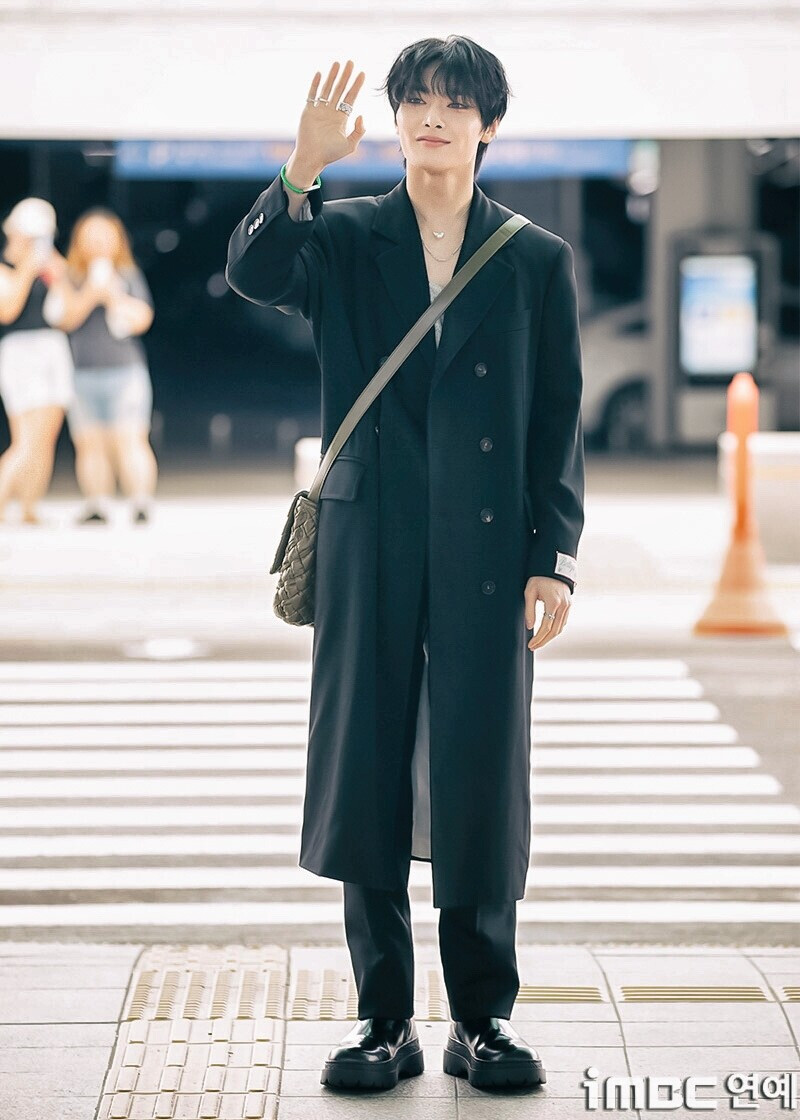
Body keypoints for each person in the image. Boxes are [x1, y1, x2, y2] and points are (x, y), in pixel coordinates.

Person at [226, 37, 585, 1094]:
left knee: (478, 771)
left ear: (486, 123)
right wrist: (299, 168)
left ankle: (484, 1018)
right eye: (414, 100)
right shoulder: (341, 237)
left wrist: (550, 555)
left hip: (484, 550)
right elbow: (250, 274)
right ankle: (384, 1016)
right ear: (393, 121)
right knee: (368, 770)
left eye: (452, 101)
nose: (431, 116)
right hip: (369, 534)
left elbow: (555, 424)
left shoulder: (532, 259)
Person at [48, 207, 157, 524]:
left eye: (104, 236)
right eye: (90, 236)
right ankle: (97, 504)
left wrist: (111, 296)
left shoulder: (128, 275)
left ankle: (140, 502)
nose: (96, 242)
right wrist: (88, 295)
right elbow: (64, 320)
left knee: (131, 437)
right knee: (89, 442)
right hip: (81, 372)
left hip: (126, 372)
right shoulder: (69, 278)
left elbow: (142, 319)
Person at [0, 197, 74, 524]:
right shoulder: (5, 269)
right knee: (26, 439)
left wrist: (57, 273)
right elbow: (8, 310)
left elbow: (68, 314)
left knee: (45, 437)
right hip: (20, 351)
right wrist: (28, 268)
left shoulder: (50, 267)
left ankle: (30, 507)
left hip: (52, 348)